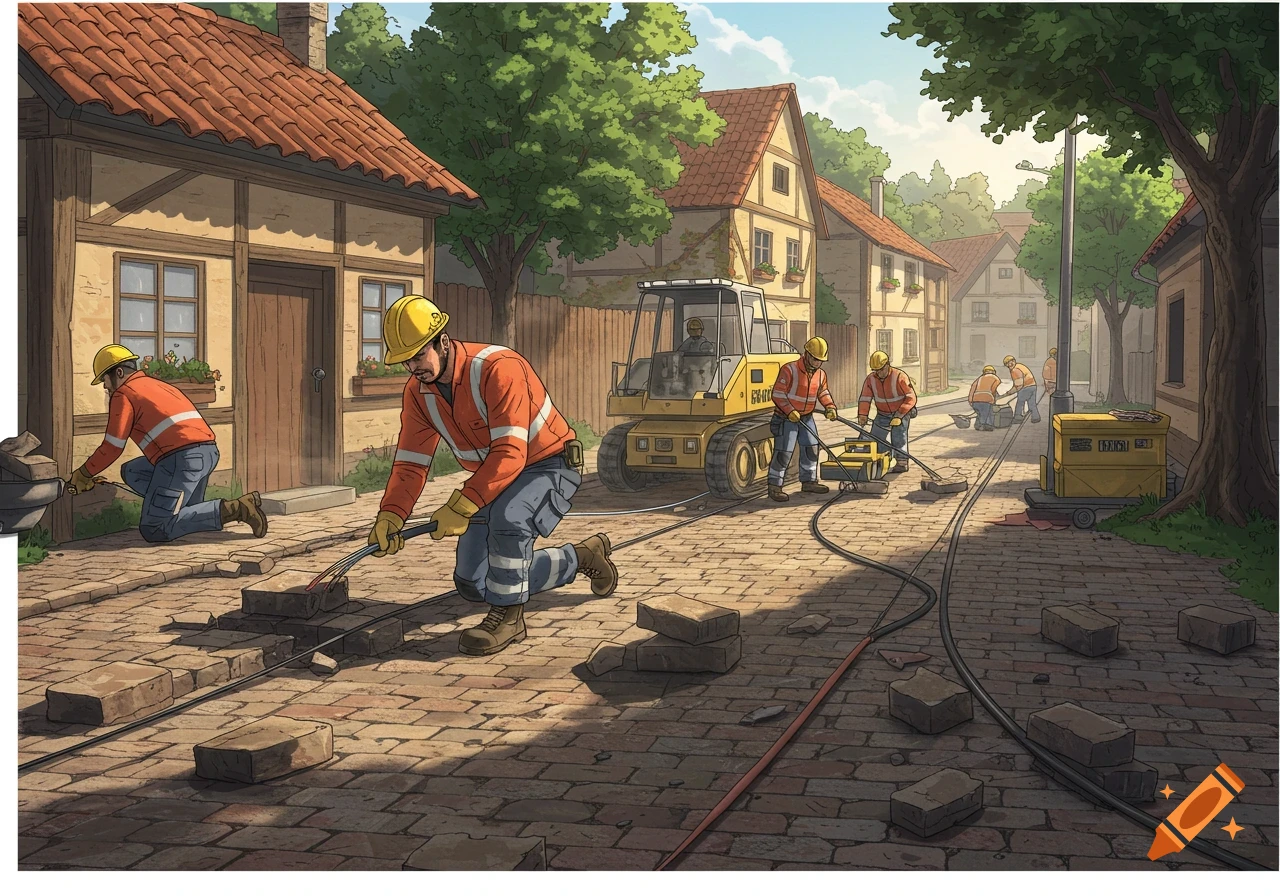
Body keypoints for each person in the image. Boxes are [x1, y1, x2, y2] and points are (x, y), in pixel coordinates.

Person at [367, 295, 617, 657]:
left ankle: (509, 619)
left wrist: (463, 504)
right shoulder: (418, 393)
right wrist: (391, 514)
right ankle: (581, 557)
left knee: (509, 520)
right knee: (474, 582)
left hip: (548, 464)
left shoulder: (498, 367)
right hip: (492, 479)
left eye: (418, 355)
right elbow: (410, 463)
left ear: (442, 341)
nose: (412, 366)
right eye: (405, 359)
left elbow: (511, 453)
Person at [68, 344, 267, 543]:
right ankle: (180, 509)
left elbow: (112, 446)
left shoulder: (124, 393)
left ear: (118, 372)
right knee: (132, 471)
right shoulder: (156, 385)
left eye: (104, 379)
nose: (105, 386)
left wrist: (83, 473)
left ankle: (237, 508)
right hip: (207, 453)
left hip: (181, 460)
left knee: (154, 528)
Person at [767, 337, 838, 502]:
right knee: (784, 452)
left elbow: (823, 392)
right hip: (786, 418)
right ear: (806, 354)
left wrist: (830, 407)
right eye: (815, 359)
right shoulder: (789, 370)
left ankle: (809, 481)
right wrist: (789, 410)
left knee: (812, 448)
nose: (817, 363)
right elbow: (778, 393)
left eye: (820, 360)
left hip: (806, 418)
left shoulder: (820, 375)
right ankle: (775, 486)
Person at [857, 351, 917, 473]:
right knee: (875, 437)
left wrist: (899, 415)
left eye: (880, 369)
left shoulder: (899, 376)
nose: (878, 373)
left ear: (887, 365)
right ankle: (881, 459)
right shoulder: (871, 379)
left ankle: (901, 462)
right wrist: (863, 415)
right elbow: (865, 398)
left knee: (898, 435)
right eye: (876, 370)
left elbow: (911, 397)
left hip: (900, 412)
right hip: (882, 413)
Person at [1003, 354, 1042, 423]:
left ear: (1014, 361)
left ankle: (1018, 418)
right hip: (1032, 386)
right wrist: (1011, 391)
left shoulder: (1015, 370)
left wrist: (1010, 392)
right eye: (1008, 363)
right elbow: (1017, 384)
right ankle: (1036, 417)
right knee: (1032, 403)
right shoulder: (1020, 366)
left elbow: (1019, 384)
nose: (1010, 364)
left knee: (1020, 402)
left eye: (1011, 362)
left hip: (1025, 387)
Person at [968, 365, 1002, 431]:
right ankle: (986, 425)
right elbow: (994, 389)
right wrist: (993, 399)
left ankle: (979, 425)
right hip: (987, 398)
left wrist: (970, 400)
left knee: (980, 413)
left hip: (975, 399)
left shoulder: (979, 378)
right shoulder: (996, 378)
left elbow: (972, 388)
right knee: (988, 412)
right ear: (993, 372)